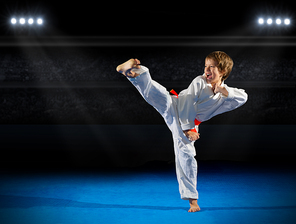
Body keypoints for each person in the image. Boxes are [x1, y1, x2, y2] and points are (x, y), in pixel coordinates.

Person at [116, 51, 248, 212]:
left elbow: (243, 97)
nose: (207, 70)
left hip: (188, 118)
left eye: (212, 67)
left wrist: (224, 91)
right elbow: (188, 102)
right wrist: (188, 129)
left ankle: (133, 72)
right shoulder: (199, 81)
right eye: (206, 66)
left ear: (223, 71)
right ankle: (133, 70)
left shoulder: (223, 94)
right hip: (179, 108)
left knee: (156, 95)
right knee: (156, 96)